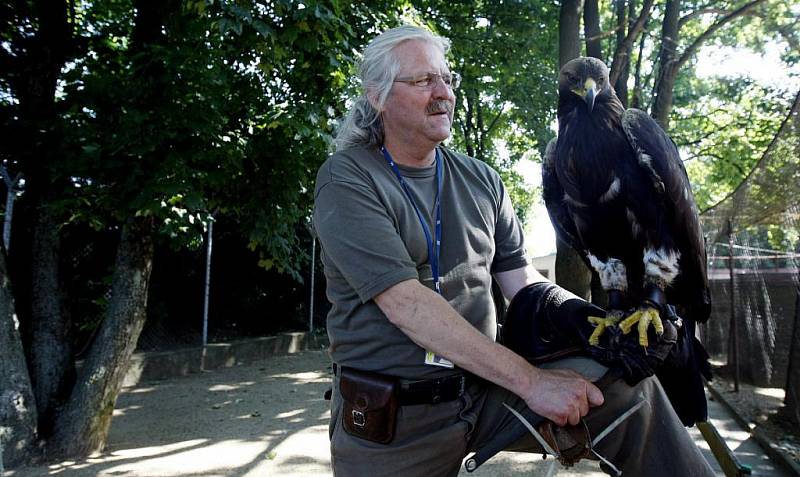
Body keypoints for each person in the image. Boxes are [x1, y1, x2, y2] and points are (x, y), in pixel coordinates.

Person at [313, 24, 715, 476]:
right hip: (395, 418)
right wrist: (533, 382)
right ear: (378, 96)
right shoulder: (347, 179)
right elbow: (407, 304)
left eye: (447, 78)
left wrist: (582, 318)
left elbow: (521, 281)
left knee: (628, 392)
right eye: (424, 81)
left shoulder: (480, 178)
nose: (444, 92)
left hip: (483, 391)